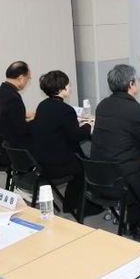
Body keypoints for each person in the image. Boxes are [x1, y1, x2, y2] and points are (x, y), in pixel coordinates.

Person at [91, 64, 140, 240]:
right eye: (137, 80)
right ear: (131, 84)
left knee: (133, 169)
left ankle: (134, 224)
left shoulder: (102, 105)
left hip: (98, 178)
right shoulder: (136, 110)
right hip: (123, 181)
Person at [31, 70, 92, 215]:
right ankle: (72, 205)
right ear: (61, 88)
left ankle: (71, 204)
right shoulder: (66, 110)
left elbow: (57, 127)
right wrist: (88, 126)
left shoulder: (42, 105)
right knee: (85, 167)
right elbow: (76, 136)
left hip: (40, 161)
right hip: (57, 164)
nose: (70, 87)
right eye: (68, 85)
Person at [0, 61, 33, 153]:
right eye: (28, 78)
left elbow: (4, 116)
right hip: (10, 150)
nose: (27, 81)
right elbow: (21, 130)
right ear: (21, 78)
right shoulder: (13, 98)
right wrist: (35, 121)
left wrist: (23, 115)